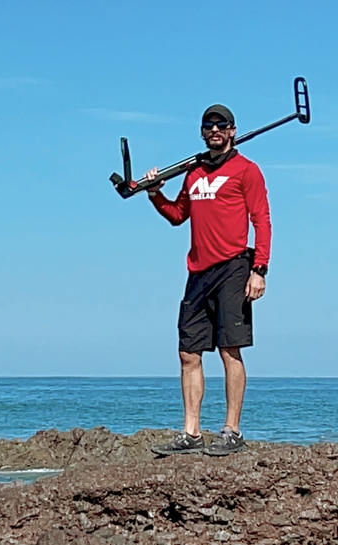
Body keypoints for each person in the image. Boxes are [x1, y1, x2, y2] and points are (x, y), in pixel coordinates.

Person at [148, 104, 271, 456]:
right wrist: (155, 193)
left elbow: (262, 220)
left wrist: (259, 269)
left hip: (234, 267)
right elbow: (177, 215)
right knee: (188, 352)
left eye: (222, 125)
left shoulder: (247, 170)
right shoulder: (193, 173)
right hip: (198, 272)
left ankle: (232, 430)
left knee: (229, 349)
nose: (215, 130)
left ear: (232, 131)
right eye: (209, 125)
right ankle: (191, 432)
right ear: (202, 132)